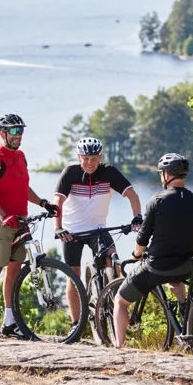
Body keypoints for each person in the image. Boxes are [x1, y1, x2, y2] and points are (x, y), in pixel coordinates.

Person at [113, 153, 193, 349]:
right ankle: (185, 309)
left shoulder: (157, 200)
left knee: (120, 301)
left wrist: (135, 256)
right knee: (175, 280)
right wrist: (185, 247)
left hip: (156, 267)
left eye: (161, 174)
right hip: (185, 266)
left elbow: (142, 239)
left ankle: (119, 346)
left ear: (167, 176)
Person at [0, 113, 60, 338]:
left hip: (21, 222)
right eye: (14, 131)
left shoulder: (21, 156)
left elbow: (24, 188)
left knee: (13, 275)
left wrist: (43, 203)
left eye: (21, 131)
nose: (18, 135)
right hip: (1, 223)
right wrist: (4, 216)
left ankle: (9, 323)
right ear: (2, 133)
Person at [53, 136, 143, 324]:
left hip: (98, 230)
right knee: (73, 275)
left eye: (94, 158)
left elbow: (133, 196)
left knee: (114, 260)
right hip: (72, 232)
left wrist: (137, 217)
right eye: (85, 158)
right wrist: (58, 228)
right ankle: (76, 323)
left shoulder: (109, 172)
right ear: (79, 157)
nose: (90, 163)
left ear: (100, 157)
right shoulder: (70, 173)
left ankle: (114, 301)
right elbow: (58, 202)